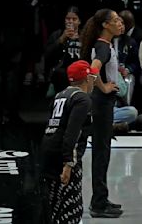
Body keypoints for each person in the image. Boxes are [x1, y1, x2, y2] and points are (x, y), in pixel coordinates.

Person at [40, 60, 98, 223]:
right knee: (71, 209)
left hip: (48, 152)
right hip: (63, 155)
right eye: (92, 76)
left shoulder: (60, 95)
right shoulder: (82, 99)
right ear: (87, 79)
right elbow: (72, 133)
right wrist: (68, 163)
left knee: (53, 206)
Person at [80, 9, 124, 218]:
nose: (120, 22)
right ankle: (98, 203)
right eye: (115, 20)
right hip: (102, 104)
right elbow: (93, 68)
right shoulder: (103, 47)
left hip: (103, 103)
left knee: (102, 152)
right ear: (106, 25)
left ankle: (101, 197)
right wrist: (103, 87)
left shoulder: (104, 45)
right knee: (101, 153)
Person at [44, 6, 82, 95]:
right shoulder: (57, 34)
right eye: (68, 19)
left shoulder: (84, 35)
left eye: (74, 19)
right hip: (61, 75)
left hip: (80, 75)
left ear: (79, 21)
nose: (71, 21)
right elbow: (47, 54)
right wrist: (61, 40)